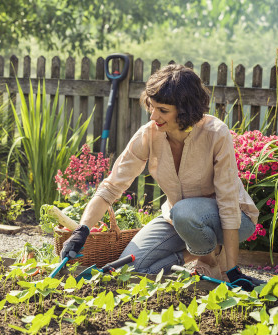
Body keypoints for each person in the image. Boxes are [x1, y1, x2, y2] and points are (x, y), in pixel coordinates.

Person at [61, 64, 264, 291]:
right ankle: (196, 252)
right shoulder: (148, 135)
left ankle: (209, 259)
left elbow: (227, 202)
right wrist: (82, 231)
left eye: (163, 110)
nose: (153, 116)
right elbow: (111, 187)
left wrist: (233, 270)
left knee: (185, 212)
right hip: (178, 219)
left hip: (231, 219)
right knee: (130, 270)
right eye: (152, 107)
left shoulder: (215, 133)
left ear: (186, 110)